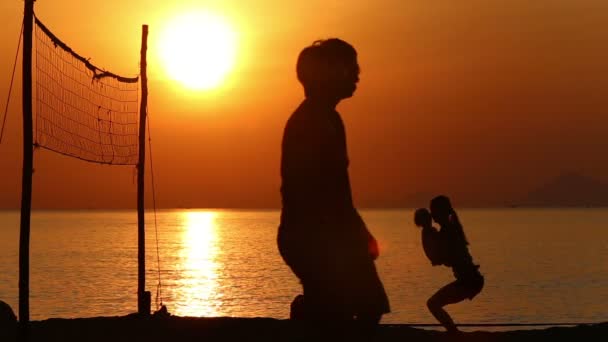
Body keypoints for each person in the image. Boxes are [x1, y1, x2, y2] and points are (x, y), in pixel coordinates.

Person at [277, 38, 390, 333]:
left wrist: (357, 231)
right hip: (313, 236)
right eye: (350, 67)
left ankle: (307, 314)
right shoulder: (311, 121)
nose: (357, 74)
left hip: (324, 235)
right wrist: (352, 234)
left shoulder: (329, 118)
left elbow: (338, 189)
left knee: (361, 306)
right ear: (328, 73)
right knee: (357, 307)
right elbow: (318, 190)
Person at [420, 195, 484, 333]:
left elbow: (439, 259)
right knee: (434, 304)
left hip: (469, 281)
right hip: (470, 280)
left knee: (433, 304)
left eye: (433, 210)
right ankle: (454, 333)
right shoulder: (449, 228)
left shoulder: (448, 231)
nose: (432, 214)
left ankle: (454, 334)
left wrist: (426, 232)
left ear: (440, 212)